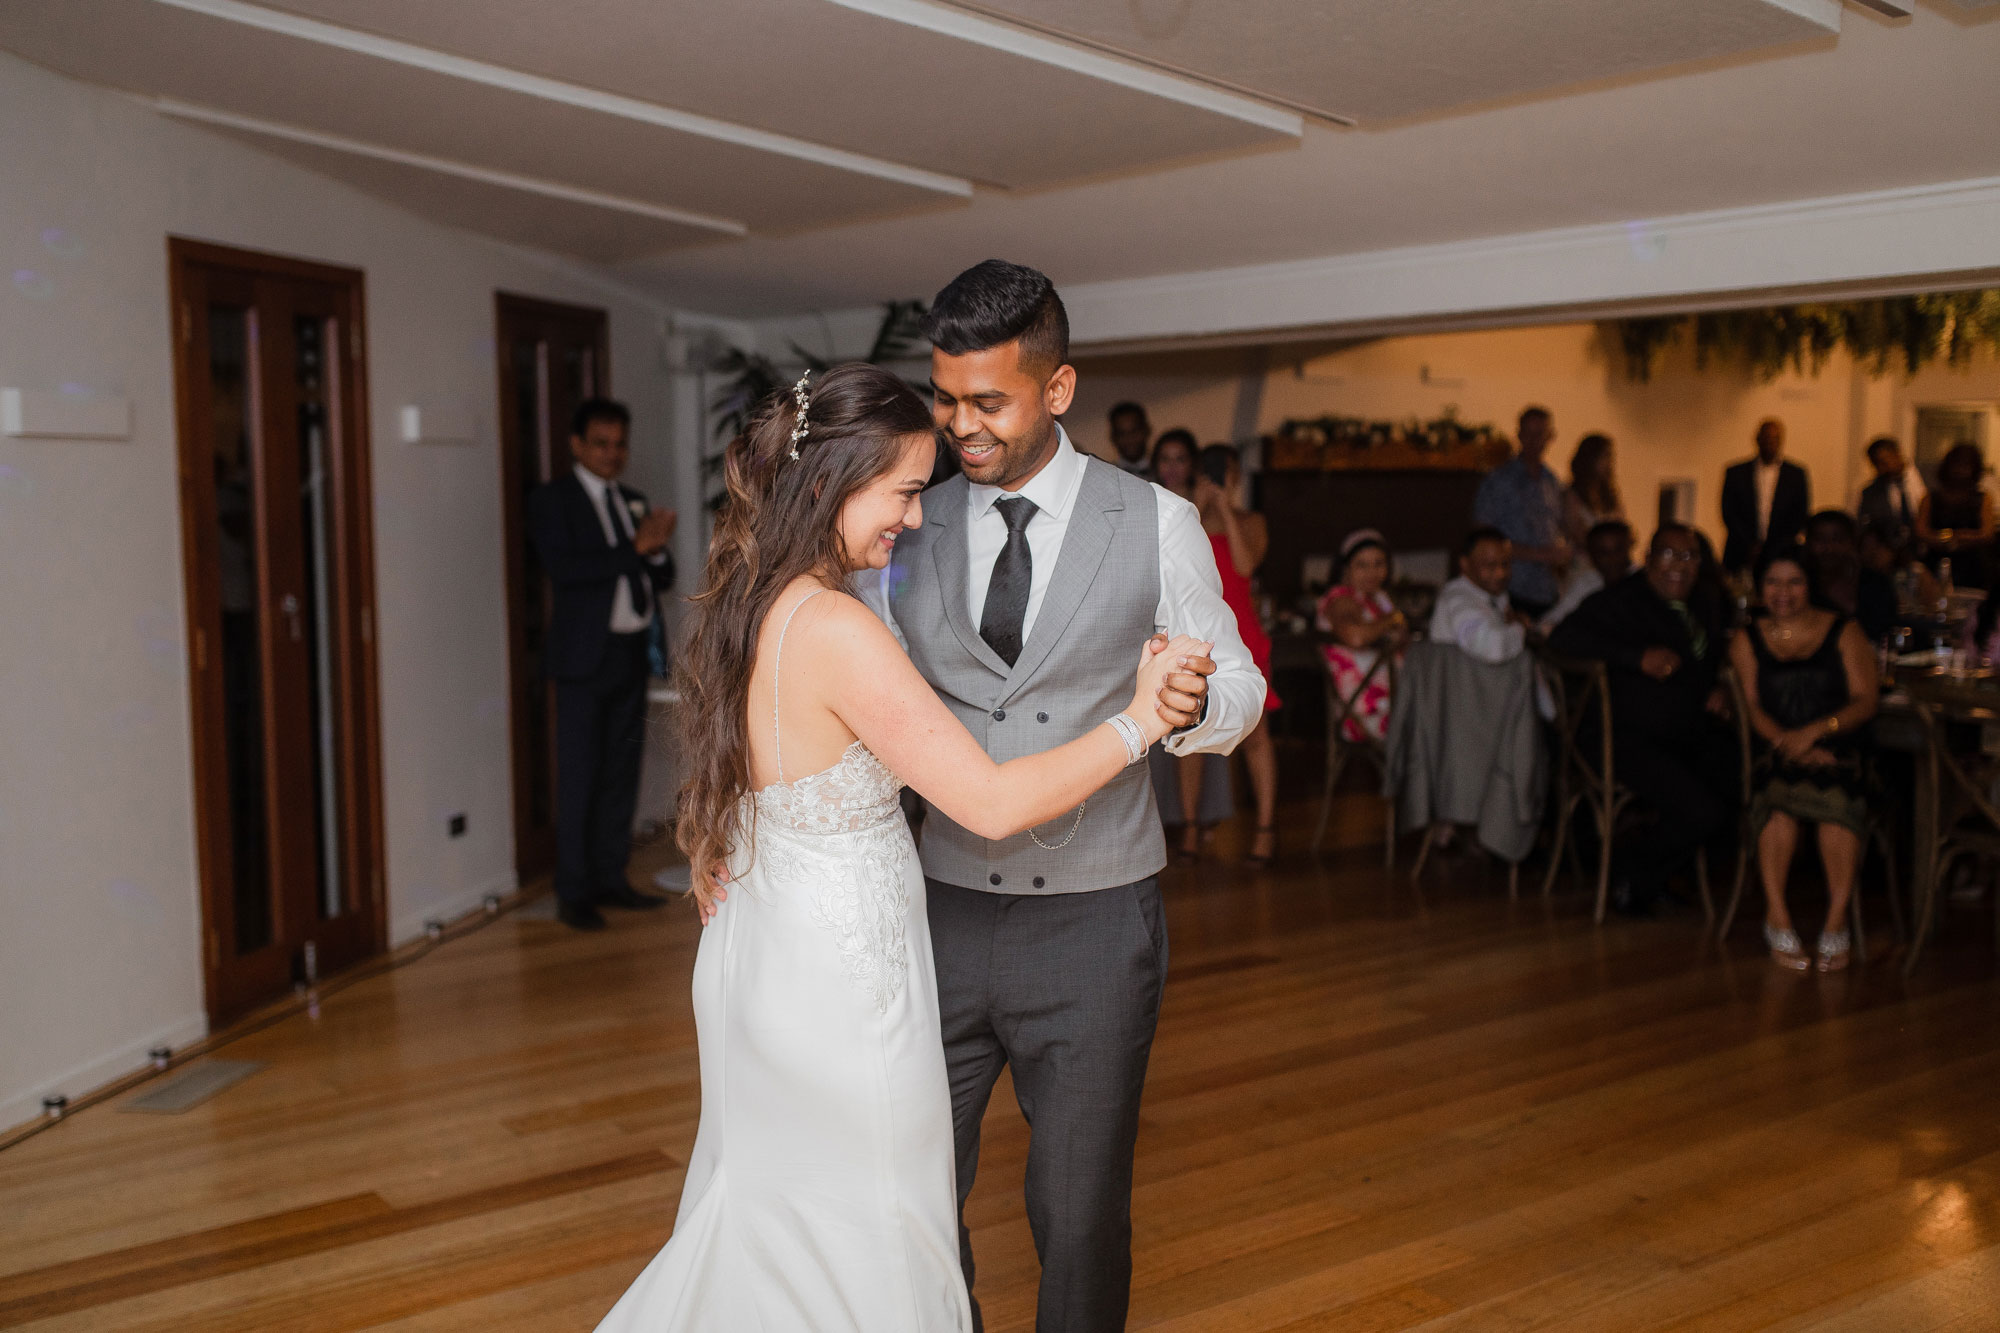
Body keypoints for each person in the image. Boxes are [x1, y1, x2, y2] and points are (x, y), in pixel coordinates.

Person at [596, 364, 1208, 1332]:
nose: (915, 520)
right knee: (867, 1223)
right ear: (833, 480)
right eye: (903, 491)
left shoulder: (755, 600)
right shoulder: (837, 627)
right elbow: (991, 801)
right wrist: (1135, 722)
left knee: (777, 1215)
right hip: (840, 986)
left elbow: (743, 772)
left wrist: (724, 844)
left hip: (769, 955)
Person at [858, 260, 1263, 1332]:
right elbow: (851, 692)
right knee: (910, 1195)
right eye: (945, 398)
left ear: (1057, 388)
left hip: (1094, 923)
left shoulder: (1159, 520)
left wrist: (1181, 705)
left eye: (986, 400)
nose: (959, 425)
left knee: (1077, 1214)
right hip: (935, 912)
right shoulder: (909, 522)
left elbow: (1240, 684)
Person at [528, 398, 677, 932]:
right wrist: (635, 548)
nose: (613, 454)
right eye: (601, 444)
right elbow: (565, 570)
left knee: (620, 774)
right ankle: (574, 891)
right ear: (577, 444)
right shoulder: (553, 501)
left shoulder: (631, 500)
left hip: (630, 652)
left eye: (619, 445)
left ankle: (612, 878)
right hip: (581, 660)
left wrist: (655, 551)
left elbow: (660, 575)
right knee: (580, 778)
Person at [1549, 523, 1735, 917]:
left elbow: (1707, 659)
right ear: (1649, 560)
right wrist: (1635, 658)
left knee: (1740, 784)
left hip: (1689, 729)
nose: (1678, 567)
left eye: (1688, 557)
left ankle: (1655, 875)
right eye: (1668, 555)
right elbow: (1563, 639)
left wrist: (1717, 688)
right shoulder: (1619, 602)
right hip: (1624, 736)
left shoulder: (1706, 601)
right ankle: (1631, 874)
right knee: (1701, 807)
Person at [1728, 547, 1879, 972]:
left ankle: (1836, 920)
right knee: (1777, 803)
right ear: (1759, 587)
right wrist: (1789, 743)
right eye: (1773, 582)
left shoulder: (1844, 630)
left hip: (1840, 747)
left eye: (1794, 582)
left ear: (1810, 585)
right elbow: (1752, 706)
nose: (1783, 592)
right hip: (1775, 748)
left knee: (1836, 802)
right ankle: (1776, 915)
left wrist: (1815, 733)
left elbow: (1866, 700)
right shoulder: (1747, 637)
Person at [1190, 443, 1282, 865]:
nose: (1217, 477)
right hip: (1195, 636)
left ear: (1237, 477)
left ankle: (1265, 829)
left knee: (1256, 737)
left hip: (1243, 637)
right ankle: (1191, 828)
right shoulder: (1185, 518)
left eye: (1224, 471)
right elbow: (1168, 566)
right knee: (1187, 735)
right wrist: (1199, 503)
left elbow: (1245, 567)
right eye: (1210, 471)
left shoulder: (1254, 520)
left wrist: (1225, 509)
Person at [1473, 406, 1570, 617]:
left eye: (1540, 434)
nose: (1534, 441)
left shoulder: (1552, 483)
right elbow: (1481, 538)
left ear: (1550, 436)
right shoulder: (1498, 481)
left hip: (1547, 589)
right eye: (1528, 434)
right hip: (1511, 588)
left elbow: (1559, 528)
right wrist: (1537, 554)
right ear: (1519, 435)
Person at [1317, 529, 1407, 743]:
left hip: (1394, 700)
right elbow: (1355, 637)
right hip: (1365, 711)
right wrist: (1393, 619)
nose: (1372, 572)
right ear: (1346, 568)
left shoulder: (1379, 598)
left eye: (1379, 564)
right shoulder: (1340, 598)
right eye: (1362, 565)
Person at [1431, 527, 1534, 663]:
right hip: (1465, 682)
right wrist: (1520, 628)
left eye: (1505, 564)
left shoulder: (1494, 594)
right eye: (1490, 565)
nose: (1500, 573)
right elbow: (1494, 649)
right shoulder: (1457, 599)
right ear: (1465, 564)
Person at [1721, 418, 1810, 575]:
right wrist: (1749, 543)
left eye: (1774, 439)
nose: (1770, 443)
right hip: (1741, 552)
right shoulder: (1736, 473)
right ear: (1757, 439)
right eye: (1766, 438)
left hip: (1781, 552)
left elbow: (1800, 513)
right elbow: (1729, 511)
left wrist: (1775, 546)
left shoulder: (1795, 474)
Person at [1805, 509, 1897, 642]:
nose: (1829, 548)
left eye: (1837, 539)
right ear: (1808, 543)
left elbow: (1886, 631)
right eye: (1820, 539)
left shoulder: (1875, 584)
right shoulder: (1801, 587)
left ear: (1852, 542)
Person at [1916, 441, 1995, 590]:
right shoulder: (1931, 498)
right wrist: (1945, 540)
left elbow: (1987, 533)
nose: (1960, 471)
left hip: (1972, 565)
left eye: (1966, 466)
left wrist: (1958, 537)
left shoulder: (1982, 499)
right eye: (1957, 465)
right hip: (1937, 560)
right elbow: (1921, 530)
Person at [1540, 519, 1637, 632]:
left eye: (1618, 550)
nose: (1612, 558)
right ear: (1591, 555)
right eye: (1603, 552)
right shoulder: (1588, 582)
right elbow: (1553, 619)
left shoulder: (1644, 583)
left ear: (1629, 548)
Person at [1854, 435, 1924, 551]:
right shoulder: (1872, 492)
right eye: (1877, 464)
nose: (1883, 468)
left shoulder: (1927, 477)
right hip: (1894, 550)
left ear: (1897, 454)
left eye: (1885, 461)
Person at [1562, 432, 1624, 555]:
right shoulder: (1573, 496)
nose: (1609, 463)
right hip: (1584, 566)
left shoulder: (1610, 496)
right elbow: (1578, 535)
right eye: (1604, 457)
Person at [1107, 399, 1152, 474]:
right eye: (1121, 434)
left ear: (1146, 431)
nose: (1129, 439)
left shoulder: (1165, 471)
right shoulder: (1107, 475)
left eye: (1134, 431)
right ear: (1113, 437)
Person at [1150, 427, 1197, 495]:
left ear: (1192, 463)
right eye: (1165, 459)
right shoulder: (1146, 496)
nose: (1171, 466)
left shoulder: (1208, 496)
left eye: (1180, 459)